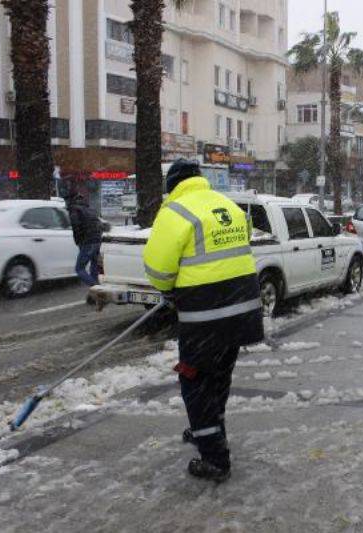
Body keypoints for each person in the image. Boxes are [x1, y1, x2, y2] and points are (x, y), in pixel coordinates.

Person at [143, 159, 263, 482]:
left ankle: (214, 457)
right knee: (219, 376)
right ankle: (211, 431)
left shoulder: (175, 212)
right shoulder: (228, 205)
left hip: (205, 316)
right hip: (242, 310)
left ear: (173, 186)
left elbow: (157, 272)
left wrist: (171, 287)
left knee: (194, 383)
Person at [67, 191, 103, 287]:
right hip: (97, 240)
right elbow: (99, 224)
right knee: (94, 266)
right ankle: (95, 295)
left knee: (79, 269)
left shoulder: (75, 210)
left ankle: (96, 288)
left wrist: (79, 241)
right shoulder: (89, 209)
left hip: (88, 241)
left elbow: (76, 227)